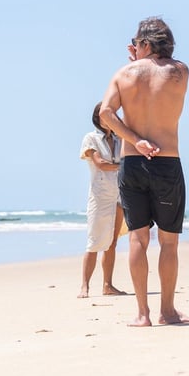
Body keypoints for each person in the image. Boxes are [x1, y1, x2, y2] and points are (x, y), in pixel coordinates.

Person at [99, 16, 189, 327]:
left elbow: (106, 113)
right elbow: (156, 78)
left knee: (138, 239)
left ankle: (143, 314)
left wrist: (135, 140)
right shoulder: (181, 71)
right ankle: (168, 311)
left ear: (143, 43)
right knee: (169, 242)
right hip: (167, 162)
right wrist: (142, 58)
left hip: (133, 162)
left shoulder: (124, 74)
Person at [78, 102, 126, 298]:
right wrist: (123, 166)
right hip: (100, 195)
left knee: (112, 242)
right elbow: (100, 163)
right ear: (98, 118)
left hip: (119, 194)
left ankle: (108, 285)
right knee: (94, 242)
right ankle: (85, 286)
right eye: (105, 115)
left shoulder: (120, 138)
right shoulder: (91, 138)